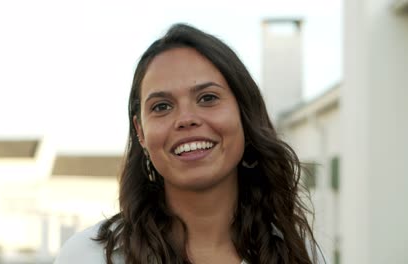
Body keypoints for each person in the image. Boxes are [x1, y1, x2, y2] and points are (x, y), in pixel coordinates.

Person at [54, 23, 327, 264]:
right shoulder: (89, 257)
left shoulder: (296, 253)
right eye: (161, 106)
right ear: (140, 131)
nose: (185, 119)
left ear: (245, 113)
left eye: (208, 98)